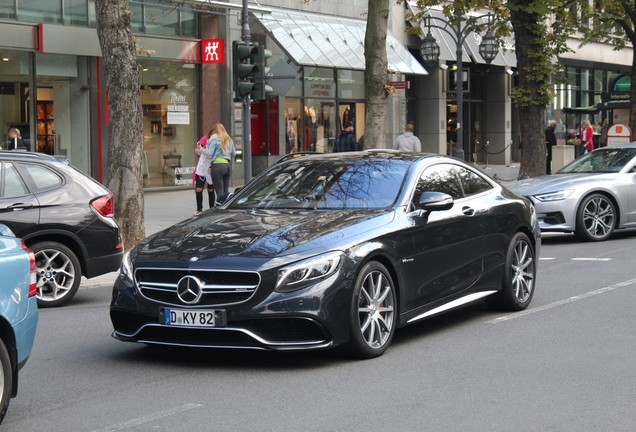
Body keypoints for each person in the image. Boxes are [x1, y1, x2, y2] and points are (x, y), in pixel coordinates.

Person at [201, 123, 235, 204]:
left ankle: (220, 209)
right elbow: (234, 153)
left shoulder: (214, 140)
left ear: (215, 131)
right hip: (227, 166)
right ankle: (227, 206)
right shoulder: (229, 140)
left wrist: (201, 149)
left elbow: (210, 152)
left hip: (217, 167)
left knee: (219, 192)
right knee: (225, 192)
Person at [193, 134, 215, 216]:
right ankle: (199, 209)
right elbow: (196, 149)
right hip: (202, 167)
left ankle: (212, 208)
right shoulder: (204, 139)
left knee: (211, 189)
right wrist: (203, 151)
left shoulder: (216, 141)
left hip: (210, 167)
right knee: (198, 189)